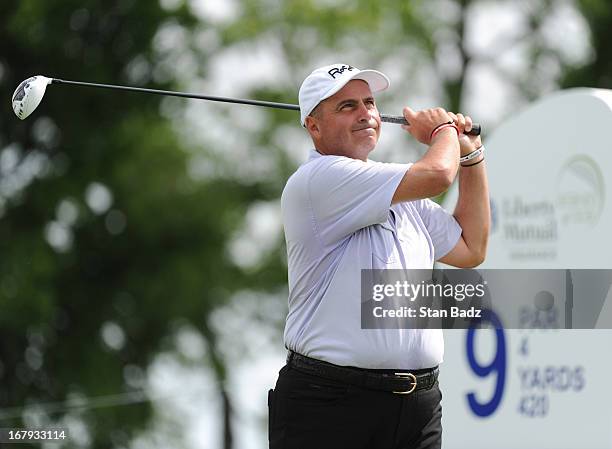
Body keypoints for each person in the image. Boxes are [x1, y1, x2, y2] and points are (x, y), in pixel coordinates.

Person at [268, 63, 490, 449]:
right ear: (313, 126)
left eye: (369, 102)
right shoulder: (317, 180)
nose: (366, 113)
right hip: (330, 404)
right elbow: (438, 173)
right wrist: (443, 132)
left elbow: (472, 247)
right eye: (346, 106)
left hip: (417, 407)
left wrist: (471, 156)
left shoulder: (400, 193)